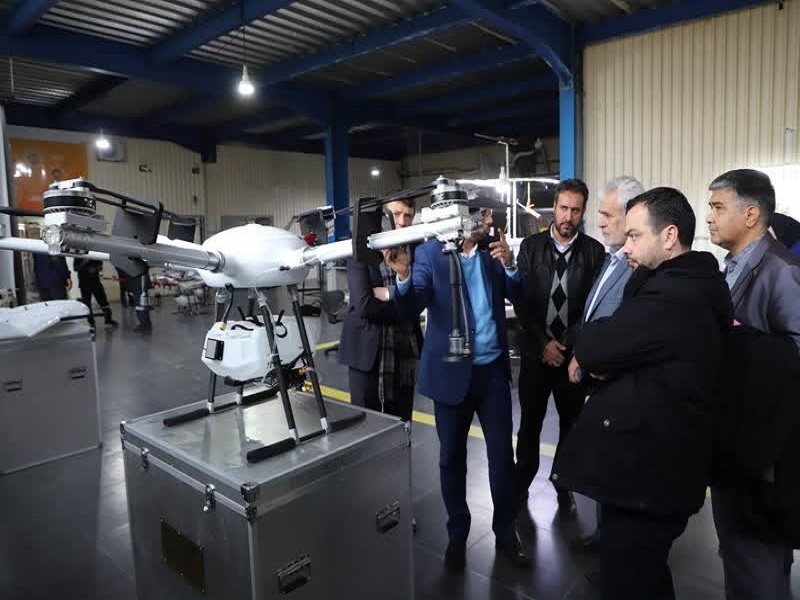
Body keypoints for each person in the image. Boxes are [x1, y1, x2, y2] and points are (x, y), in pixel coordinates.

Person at [552, 187, 733, 600]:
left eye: (634, 236)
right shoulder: (679, 283)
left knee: (630, 579)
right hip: (655, 467)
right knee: (645, 575)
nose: (626, 246)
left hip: (651, 476)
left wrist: (593, 347)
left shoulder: (675, 295)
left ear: (669, 236)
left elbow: (598, 345)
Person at [385, 209, 530, 570]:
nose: (487, 222)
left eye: (487, 217)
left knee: (501, 457)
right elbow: (411, 303)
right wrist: (402, 276)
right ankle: (457, 534)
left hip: (492, 374)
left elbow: (519, 296)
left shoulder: (493, 251)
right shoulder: (429, 253)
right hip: (451, 374)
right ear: (461, 218)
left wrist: (511, 266)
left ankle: (506, 531)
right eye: (481, 216)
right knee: (451, 458)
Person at [707, 169, 800, 600]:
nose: (709, 216)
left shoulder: (783, 272)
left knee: (758, 567)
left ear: (751, 215)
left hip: (764, 455)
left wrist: (739, 338)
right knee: (740, 558)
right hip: (735, 439)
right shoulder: (731, 267)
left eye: (718, 207)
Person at [512, 178, 605, 517]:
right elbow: (522, 303)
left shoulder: (594, 253)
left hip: (571, 358)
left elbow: (592, 307)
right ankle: (521, 482)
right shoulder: (530, 247)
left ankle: (563, 484)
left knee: (571, 424)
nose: (568, 216)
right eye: (563, 208)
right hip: (535, 355)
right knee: (530, 425)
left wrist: (565, 345)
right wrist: (543, 344)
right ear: (554, 206)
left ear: (584, 212)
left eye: (575, 210)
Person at [567, 175, 645, 555]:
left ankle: (618, 552)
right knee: (604, 470)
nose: (598, 223)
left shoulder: (638, 266)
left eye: (607, 215)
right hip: (598, 386)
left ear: (631, 215)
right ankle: (605, 538)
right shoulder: (610, 258)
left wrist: (588, 358)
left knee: (618, 474)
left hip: (617, 389)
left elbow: (626, 331)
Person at [338, 199, 422, 421]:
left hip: (404, 349)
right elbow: (365, 305)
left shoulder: (417, 248)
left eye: (408, 215)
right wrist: (403, 298)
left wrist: (388, 293)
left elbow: (421, 297)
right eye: (396, 214)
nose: (402, 221)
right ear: (384, 216)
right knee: (366, 421)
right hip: (366, 351)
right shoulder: (361, 248)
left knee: (402, 421)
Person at [73, 258, 118, 327]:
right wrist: (84, 262)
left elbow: (100, 267)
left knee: (103, 301)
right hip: (84, 284)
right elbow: (75, 268)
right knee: (87, 304)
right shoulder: (78, 256)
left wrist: (95, 269)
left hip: (95, 282)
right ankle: (91, 322)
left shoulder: (94, 255)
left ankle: (108, 320)